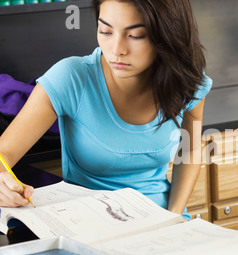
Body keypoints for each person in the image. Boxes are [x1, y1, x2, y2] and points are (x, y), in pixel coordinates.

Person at [0, 0, 212, 220]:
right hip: (90, 225)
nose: (116, 50)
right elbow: (3, 153)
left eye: (136, 35)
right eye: (105, 31)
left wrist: (174, 216)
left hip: (163, 218)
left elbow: (189, 151)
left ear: (168, 34)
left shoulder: (186, 83)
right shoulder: (71, 78)